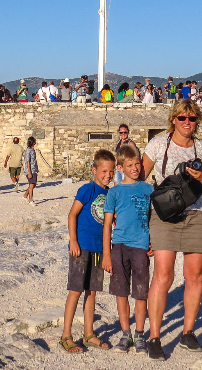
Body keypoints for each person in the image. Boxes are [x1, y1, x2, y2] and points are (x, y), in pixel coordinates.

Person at [142, 99, 202, 359]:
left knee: (195, 276)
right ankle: (154, 336)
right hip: (165, 216)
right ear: (173, 119)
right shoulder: (157, 144)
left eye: (193, 118)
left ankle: (188, 332)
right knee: (163, 276)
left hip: (197, 215)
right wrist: (141, 225)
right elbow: (139, 182)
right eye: (183, 118)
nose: (188, 122)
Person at [59, 150, 115, 353]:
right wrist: (73, 240)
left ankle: (89, 333)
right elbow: (72, 214)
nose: (107, 175)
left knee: (92, 292)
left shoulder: (110, 194)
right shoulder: (87, 189)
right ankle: (66, 335)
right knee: (75, 290)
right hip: (81, 246)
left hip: (99, 248)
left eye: (111, 171)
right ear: (94, 170)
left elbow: (111, 222)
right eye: (103, 171)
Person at [102, 145, 153, 354]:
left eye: (137, 164)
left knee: (141, 292)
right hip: (120, 246)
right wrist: (107, 253)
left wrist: (154, 242)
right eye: (130, 165)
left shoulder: (148, 189)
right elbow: (107, 225)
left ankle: (140, 334)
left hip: (141, 246)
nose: (134, 168)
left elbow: (156, 219)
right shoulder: (114, 192)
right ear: (121, 167)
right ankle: (125, 333)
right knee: (121, 292)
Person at [23, 136, 39, 205]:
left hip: (34, 169)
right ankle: (31, 200)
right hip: (30, 170)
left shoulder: (33, 150)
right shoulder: (28, 151)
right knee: (31, 184)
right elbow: (27, 162)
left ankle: (25, 195)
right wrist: (29, 172)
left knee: (34, 184)